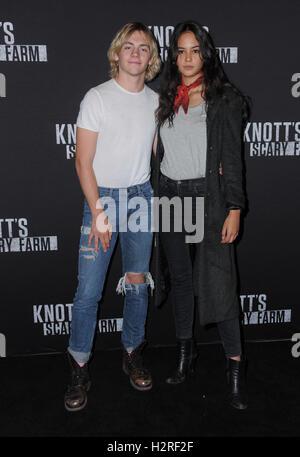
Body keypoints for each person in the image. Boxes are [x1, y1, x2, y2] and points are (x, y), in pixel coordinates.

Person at [152, 21, 250, 410]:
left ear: (205, 54)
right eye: (181, 50)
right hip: (172, 197)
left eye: (195, 50)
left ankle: (236, 368)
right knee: (181, 278)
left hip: (207, 200)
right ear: (174, 55)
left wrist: (235, 208)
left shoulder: (222, 99)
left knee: (220, 284)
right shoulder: (167, 97)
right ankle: (185, 355)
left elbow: (233, 161)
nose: (188, 58)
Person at [64, 22, 161, 412]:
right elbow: (83, 161)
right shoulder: (97, 98)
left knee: (138, 283)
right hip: (101, 198)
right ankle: (78, 367)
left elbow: (159, 153)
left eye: (144, 47)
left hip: (140, 198)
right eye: (129, 46)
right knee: (88, 292)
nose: (136, 53)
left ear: (151, 58)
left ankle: (132, 352)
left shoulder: (156, 101)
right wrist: (100, 211)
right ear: (117, 53)